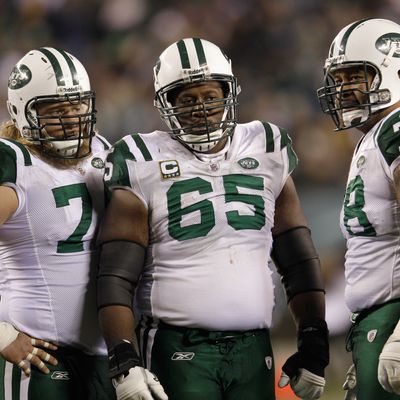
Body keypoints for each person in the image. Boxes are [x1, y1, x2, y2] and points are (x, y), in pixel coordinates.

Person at [97, 38, 329, 400]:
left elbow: (297, 257)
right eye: (186, 99)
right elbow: (116, 273)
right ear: (165, 104)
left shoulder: (266, 145)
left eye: (209, 94)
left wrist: (313, 338)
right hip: (177, 344)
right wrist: (123, 357)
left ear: (229, 91)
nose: (201, 108)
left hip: (253, 343)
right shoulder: (141, 157)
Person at [0, 47, 116, 400]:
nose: (71, 118)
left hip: (101, 355)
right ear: (24, 112)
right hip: (38, 354)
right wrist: (1, 335)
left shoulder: (102, 150)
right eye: (56, 110)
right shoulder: (14, 162)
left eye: (77, 105)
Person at [317, 17, 400, 400]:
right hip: (376, 319)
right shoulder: (374, 136)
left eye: (356, 76)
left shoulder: (395, 129)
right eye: (340, 78)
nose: (344, 89)